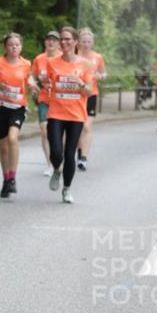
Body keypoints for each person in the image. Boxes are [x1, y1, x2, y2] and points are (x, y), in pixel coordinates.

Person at [46, 26, 93, 204]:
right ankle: (57, 169)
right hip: (56, 113)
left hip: (75, 115)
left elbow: (89, 92)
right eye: (62, 39)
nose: (64, 42)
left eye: (67, 39)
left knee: (70, 153)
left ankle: (66, 189)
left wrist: (80, 83)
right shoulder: (52, 62)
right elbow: (49, 84)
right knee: (56, 152)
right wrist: (46, 87)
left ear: (75, 42)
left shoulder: (85, 64)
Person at [0, 32, 36, 198]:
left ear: (21, 47)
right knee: (3, 148)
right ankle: (5, 180)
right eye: (10, 45)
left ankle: (13, 177)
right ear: (5, 47)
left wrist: (31, 86)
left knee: (12, 138)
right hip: (1, 107)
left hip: (18, 108)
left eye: (17, 45)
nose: (14, 47)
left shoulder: (25, 64)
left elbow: (29, 79)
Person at [76, 28, 106, 171]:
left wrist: (101, 76)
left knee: (87, 126)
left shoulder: (97, 57)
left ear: (92, 43)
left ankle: (83, 158)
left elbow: (103, 72)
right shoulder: (74, 56)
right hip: (76, 95)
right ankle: (78, 150)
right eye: (83, 41)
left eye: (89, 41)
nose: (86, 44)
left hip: (91, 94)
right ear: (78, 42)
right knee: (77, 127)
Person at [31, 31, 60, 175]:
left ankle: (59, 159)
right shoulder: (39, 59)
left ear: (59, 43)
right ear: (45, 42)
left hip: (60, 101)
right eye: (48, 40)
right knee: (44, 130)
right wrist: (32, 85)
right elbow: (32, 76)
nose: (51, 42)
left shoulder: (63, 59)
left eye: (54, 40)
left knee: (59, 133)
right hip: (44, 98)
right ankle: (50, 164)